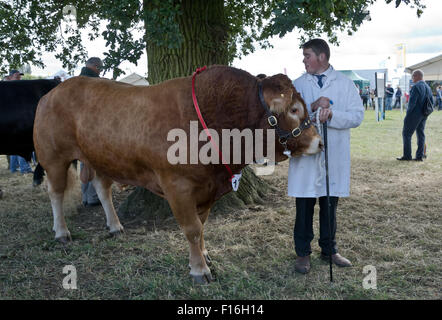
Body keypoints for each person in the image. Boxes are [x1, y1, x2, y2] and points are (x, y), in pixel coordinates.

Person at [289, 39, 364, 274]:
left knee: (329, 203)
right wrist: (311, 106)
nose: (304, 60)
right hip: (306, 156)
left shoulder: (344, 84)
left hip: (334, 153)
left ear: (322, 57)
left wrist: (332, 115)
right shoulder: (297, 84)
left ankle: (329, 249)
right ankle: (302, 253)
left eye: (307, 55)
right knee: (304, 204)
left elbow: (357, 116)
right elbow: (288, 118)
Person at [79, 57, 104, 207]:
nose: (100, 71)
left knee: (85, 162)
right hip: (94, 127)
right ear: (95, 66)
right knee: (98, 163)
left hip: (80, 128)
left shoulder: (77, 82)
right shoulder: (95, 83)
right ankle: (93, 197)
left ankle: (85, 197)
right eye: (100, 68)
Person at [397, 69, 432, 162]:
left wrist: (407, 115)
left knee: (406, 134)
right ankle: (419, 156)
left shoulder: (416, 86)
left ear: (416, 76)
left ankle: (407, 155)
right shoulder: (428, 87)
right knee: (421, 134)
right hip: (424, 114)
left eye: (412, 76)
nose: (412, 78)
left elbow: (411, 103)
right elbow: (431, 102)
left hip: (414, 114)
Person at [4, 70, 33, 174]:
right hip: (14, 119)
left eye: (20, 76)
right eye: (17, 76)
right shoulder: (8, 87)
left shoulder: (15, 87)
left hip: (13, 119)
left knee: (14, 144)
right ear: (10, 77)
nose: (19, 78)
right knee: (22, 143)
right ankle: (25, 169)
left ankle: (13, 168)